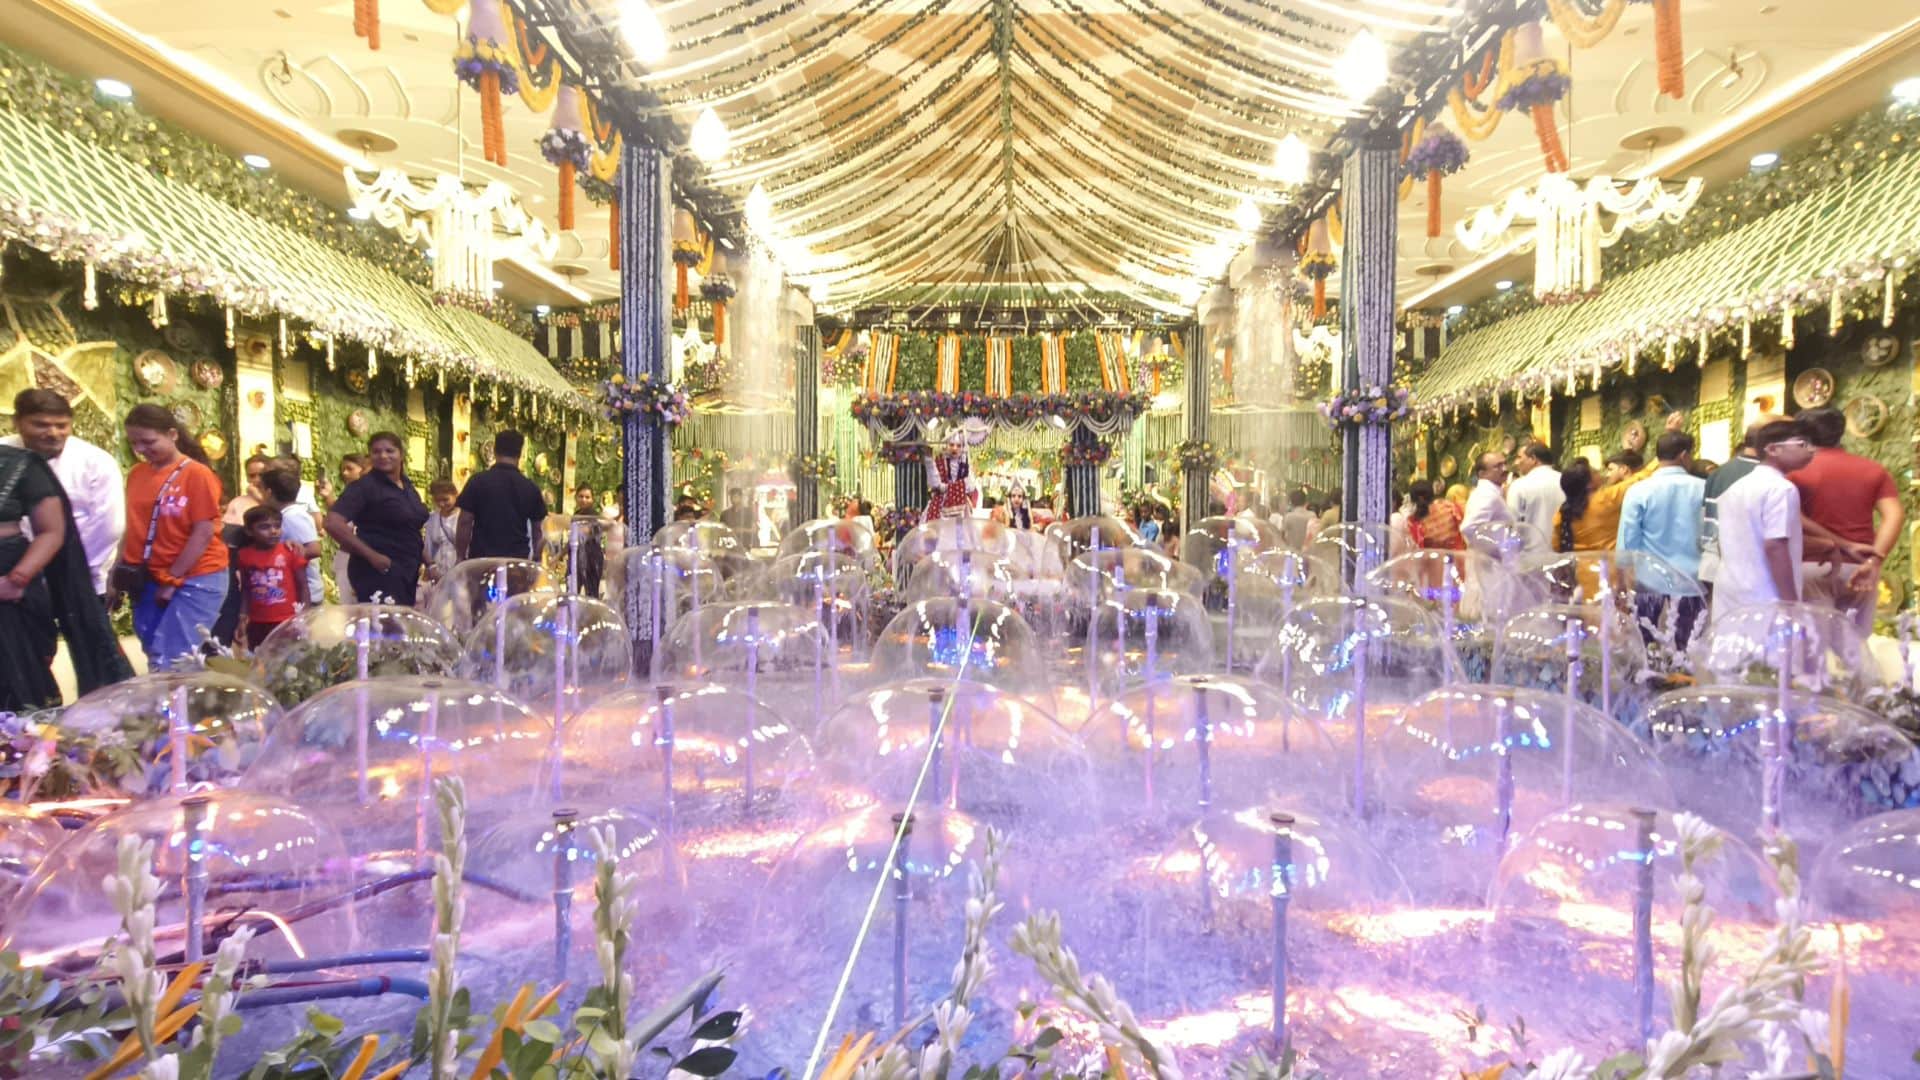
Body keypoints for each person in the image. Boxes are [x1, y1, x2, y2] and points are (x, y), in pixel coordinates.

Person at [0, 444, 121, 708]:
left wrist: (17, 579)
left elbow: (52, 531)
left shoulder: (19, 464)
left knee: (19, 682)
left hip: (10, 587)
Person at [117, 403, 229, 670]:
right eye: (135, 443)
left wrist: (173, 578)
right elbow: (132, 527)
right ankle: (182, 706)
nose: (141, 450)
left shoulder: (197, 474)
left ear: (172, 434)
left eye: (148, 441)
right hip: (148, 577)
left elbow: (202, 533)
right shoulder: (137, 474)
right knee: (155, 652)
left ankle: (177, 710)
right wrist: (117, 572)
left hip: (196, 576)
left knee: (172, 656)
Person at [1789, 406, 1903, 633]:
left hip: (1812, 566)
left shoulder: (1794, 472)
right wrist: (1874, 561)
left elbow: (1791, 516)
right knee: (1855, 649)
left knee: (1814, 651)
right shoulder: (1873, 469)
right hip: (1860, 567)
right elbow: (1894, 515)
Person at [4, 389, 125, 600]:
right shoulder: (3, 455)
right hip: (9, 578)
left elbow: (108, 529)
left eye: (61, 425)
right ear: (17, 422)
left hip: (79, 577)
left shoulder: (95, 463)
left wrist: (69, 572)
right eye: (41, 424)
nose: (53, 433)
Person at [1712, 418, 1817, 622]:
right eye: (1802, 444)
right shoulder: (1781, 489)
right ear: (1773, 449)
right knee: (1770, 653)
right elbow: (1775, 545)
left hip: (1731, 590)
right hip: (1766, 594)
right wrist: (1791, 603)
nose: (1811, 450)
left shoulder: (1736, 488)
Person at [1618, 430, 1708, 647]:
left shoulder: (1638, 490)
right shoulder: (1703, 488)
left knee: (1645, 643)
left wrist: (1623, 577)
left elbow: (1627, 539)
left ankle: (1648, 679)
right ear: (1684, 455)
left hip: (1650, 580)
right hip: (1692, 580)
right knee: (1688, 645)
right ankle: (1684, 680)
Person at [326, 432, 429, 606]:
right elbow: (332, 522)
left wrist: (429, 563)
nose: (383, 456)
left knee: (400, 625)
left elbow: (411, 528)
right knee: (382, 628)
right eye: (376, 452)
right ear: (370, 456)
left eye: (390, 451)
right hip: (377, 570)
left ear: (401, 454)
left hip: (407, 570)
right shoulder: (365, 486)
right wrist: (372, 556)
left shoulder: (406, 485)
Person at [456, 431, 548, 561]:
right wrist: (537, 558)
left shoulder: (477, 481)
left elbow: (465, 521)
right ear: (520, 454)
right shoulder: (530, 488)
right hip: (516, 561)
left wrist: (460, 556)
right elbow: (538, 530)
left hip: (481, 561)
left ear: (495, 450)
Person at [235, 504, 309, 651]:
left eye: (277, 526)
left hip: (287, 620)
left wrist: (304, 617)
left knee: (289, 660)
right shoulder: (243, 555)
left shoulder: (290, 552)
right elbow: (246, 588)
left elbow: (303, 586)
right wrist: (243, 616)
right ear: (249, 531)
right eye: (264, 527)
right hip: (257, 621)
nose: (273, 531)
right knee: (260, 659)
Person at [1553, 450, 1651, 553]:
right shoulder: (1604, 499)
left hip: (1579, 566)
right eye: (1595, 472)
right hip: (1607, 564)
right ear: (1589, 484)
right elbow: (1637, 480)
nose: (1602, 474)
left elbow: (1556, 546)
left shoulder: (1561, 513)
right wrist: (1660, 459)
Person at [260, 467, 323, 610]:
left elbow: (314, 549)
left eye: (261, 489)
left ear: (268, 492)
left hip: (305, 594)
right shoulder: (284, 515)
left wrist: (280, 556)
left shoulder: (293, 516)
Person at [1505, 441, 1563, 555]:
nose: (1517, 462)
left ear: (1533, 459)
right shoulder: (1565, 480)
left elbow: (1512, 524)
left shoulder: (1520, 485)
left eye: (1520, 457)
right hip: (1561, 555)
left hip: (1531, 557)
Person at [331, 454, 369, 603]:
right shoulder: (347, 494)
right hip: (347, 559)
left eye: (350, 469)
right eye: (343, 470)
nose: (345, 473)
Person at [1407, 479, 1466, 552]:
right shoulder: (1449, 506)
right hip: (1460, 558)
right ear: (1432, 493)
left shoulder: (1413, 523)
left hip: (1435, 561)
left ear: (1412, 499)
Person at [1462, 451, 1513, 532]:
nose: (1505, 469)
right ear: (1482, 474)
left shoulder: (1491, 491)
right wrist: (1500, 543)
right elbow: (1469, 528)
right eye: (1498, 466)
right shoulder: (1486, 494)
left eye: (1505, 464)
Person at [424, 479, 462, 586]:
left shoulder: (463, 518)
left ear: (455, 495)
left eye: (445, 499)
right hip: (438, 575)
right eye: (437, 500)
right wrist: (431, 567)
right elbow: (427, 546)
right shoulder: (433, 518)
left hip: (460, 573)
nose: (442, 504)